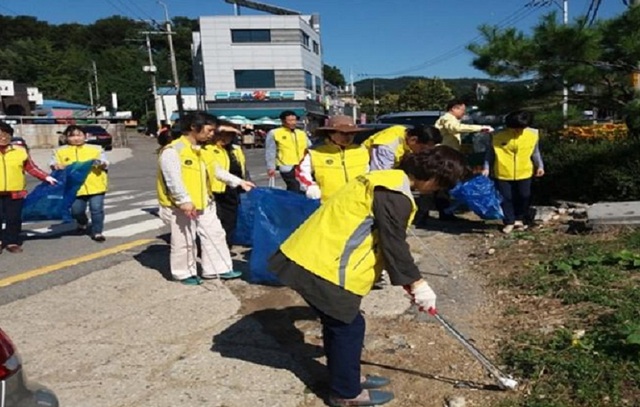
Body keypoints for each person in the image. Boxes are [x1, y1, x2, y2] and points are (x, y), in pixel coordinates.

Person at [268, 146, 468, 407]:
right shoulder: (395, 194)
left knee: (340, 323)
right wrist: (418, 284)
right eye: (441, 185)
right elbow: (393, 244)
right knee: (348, 327)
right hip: (323, 265)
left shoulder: (386, 178)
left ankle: (346, 377)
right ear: (432, 178)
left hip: (311, 254)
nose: (437, 190)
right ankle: (345, 393)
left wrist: (408, 280)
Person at [157, 111, 255, 285]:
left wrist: (239, 182)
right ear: (194, 128)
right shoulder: (173, 151)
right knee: (184, 240)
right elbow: (173, 180)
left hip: (205, 202)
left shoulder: (202, 151)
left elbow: (217, 171)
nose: (212, 134)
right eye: (209, 130)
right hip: (181, 206)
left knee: (215, 234)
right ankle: (184, 273)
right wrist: (184, 201)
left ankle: (218, 269)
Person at [482, 110, 544, 234]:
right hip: (503, 172)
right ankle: (509, 221)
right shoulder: (497, 135)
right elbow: (490, 153)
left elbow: (535, 152)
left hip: (525, 171)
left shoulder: (533, 134)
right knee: (506, 198)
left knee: (524, 196)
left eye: (521, 128)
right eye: (515, 128)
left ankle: (519, 219)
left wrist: (540, 166)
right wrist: (486, 167)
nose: (518, 131)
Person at [0, 121, 57, 254]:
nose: (3, 137)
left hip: (15, 192)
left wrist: (46, 177)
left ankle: (12, 241)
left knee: (13, 218)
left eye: (6, 134)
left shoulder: (20, 151)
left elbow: (31, 167)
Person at [434, 100, 494, 220]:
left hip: (449, 155)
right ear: (454, 108)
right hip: (444, 156)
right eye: (462, 110)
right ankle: (445, 212)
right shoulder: (448, 118)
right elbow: (455, 128)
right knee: (444, 184)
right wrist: (480, 128)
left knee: (447, 184)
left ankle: (447, 211)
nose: (463, 113)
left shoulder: (450, 119)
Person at [50, 125, 109, 242]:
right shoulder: (60, 151)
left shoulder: (96, 148)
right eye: (72, 136)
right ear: (66, 137)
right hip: (74, 188)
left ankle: (97, 232)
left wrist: (100, 163)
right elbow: (53, 163)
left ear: (85, 136)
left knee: (96, 209)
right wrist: (56, 166)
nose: (76, 138)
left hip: (96, 185)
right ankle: (82, 222)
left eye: (79, 135)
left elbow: (105, 162)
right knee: (77, 211)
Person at [296, 115, 370, 202]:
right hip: (328, 203)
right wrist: (310, 186)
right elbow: (301, 172)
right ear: (330, 133)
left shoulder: (361, 150)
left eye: (352, 133)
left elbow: (368, 173)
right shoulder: (315, 152)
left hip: (358, 202)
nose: (348, 137)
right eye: (343, 134)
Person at [206, 121, 250, 248]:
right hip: (215, 190)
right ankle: (214, 246)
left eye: (230, 135)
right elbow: (217, 171)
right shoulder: (209, 149)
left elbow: (243, 168)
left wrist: (245, 181)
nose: (225, 138)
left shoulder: (236, 149)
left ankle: (226, 244)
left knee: (231, 218)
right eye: (222, 135)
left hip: (233, 188)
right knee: (218, 220)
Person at [265, 110, 311, 192]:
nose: (293, 122)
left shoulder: (301, 133)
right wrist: (271, 167)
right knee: (294, 187)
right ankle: (293, 203)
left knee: (304, 188)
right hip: (287, 166)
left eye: (294, 120)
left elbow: (310, 148)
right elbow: (270, 151)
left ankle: (296, 203)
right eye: (290, 120)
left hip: (302, 166)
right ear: (283, 121)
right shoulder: (274, 133)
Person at [363, 124, 442, 170]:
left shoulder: (404, 133)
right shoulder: (387, 147)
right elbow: (379, 175)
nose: (423, 152)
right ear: (413, 140)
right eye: (422, 149)